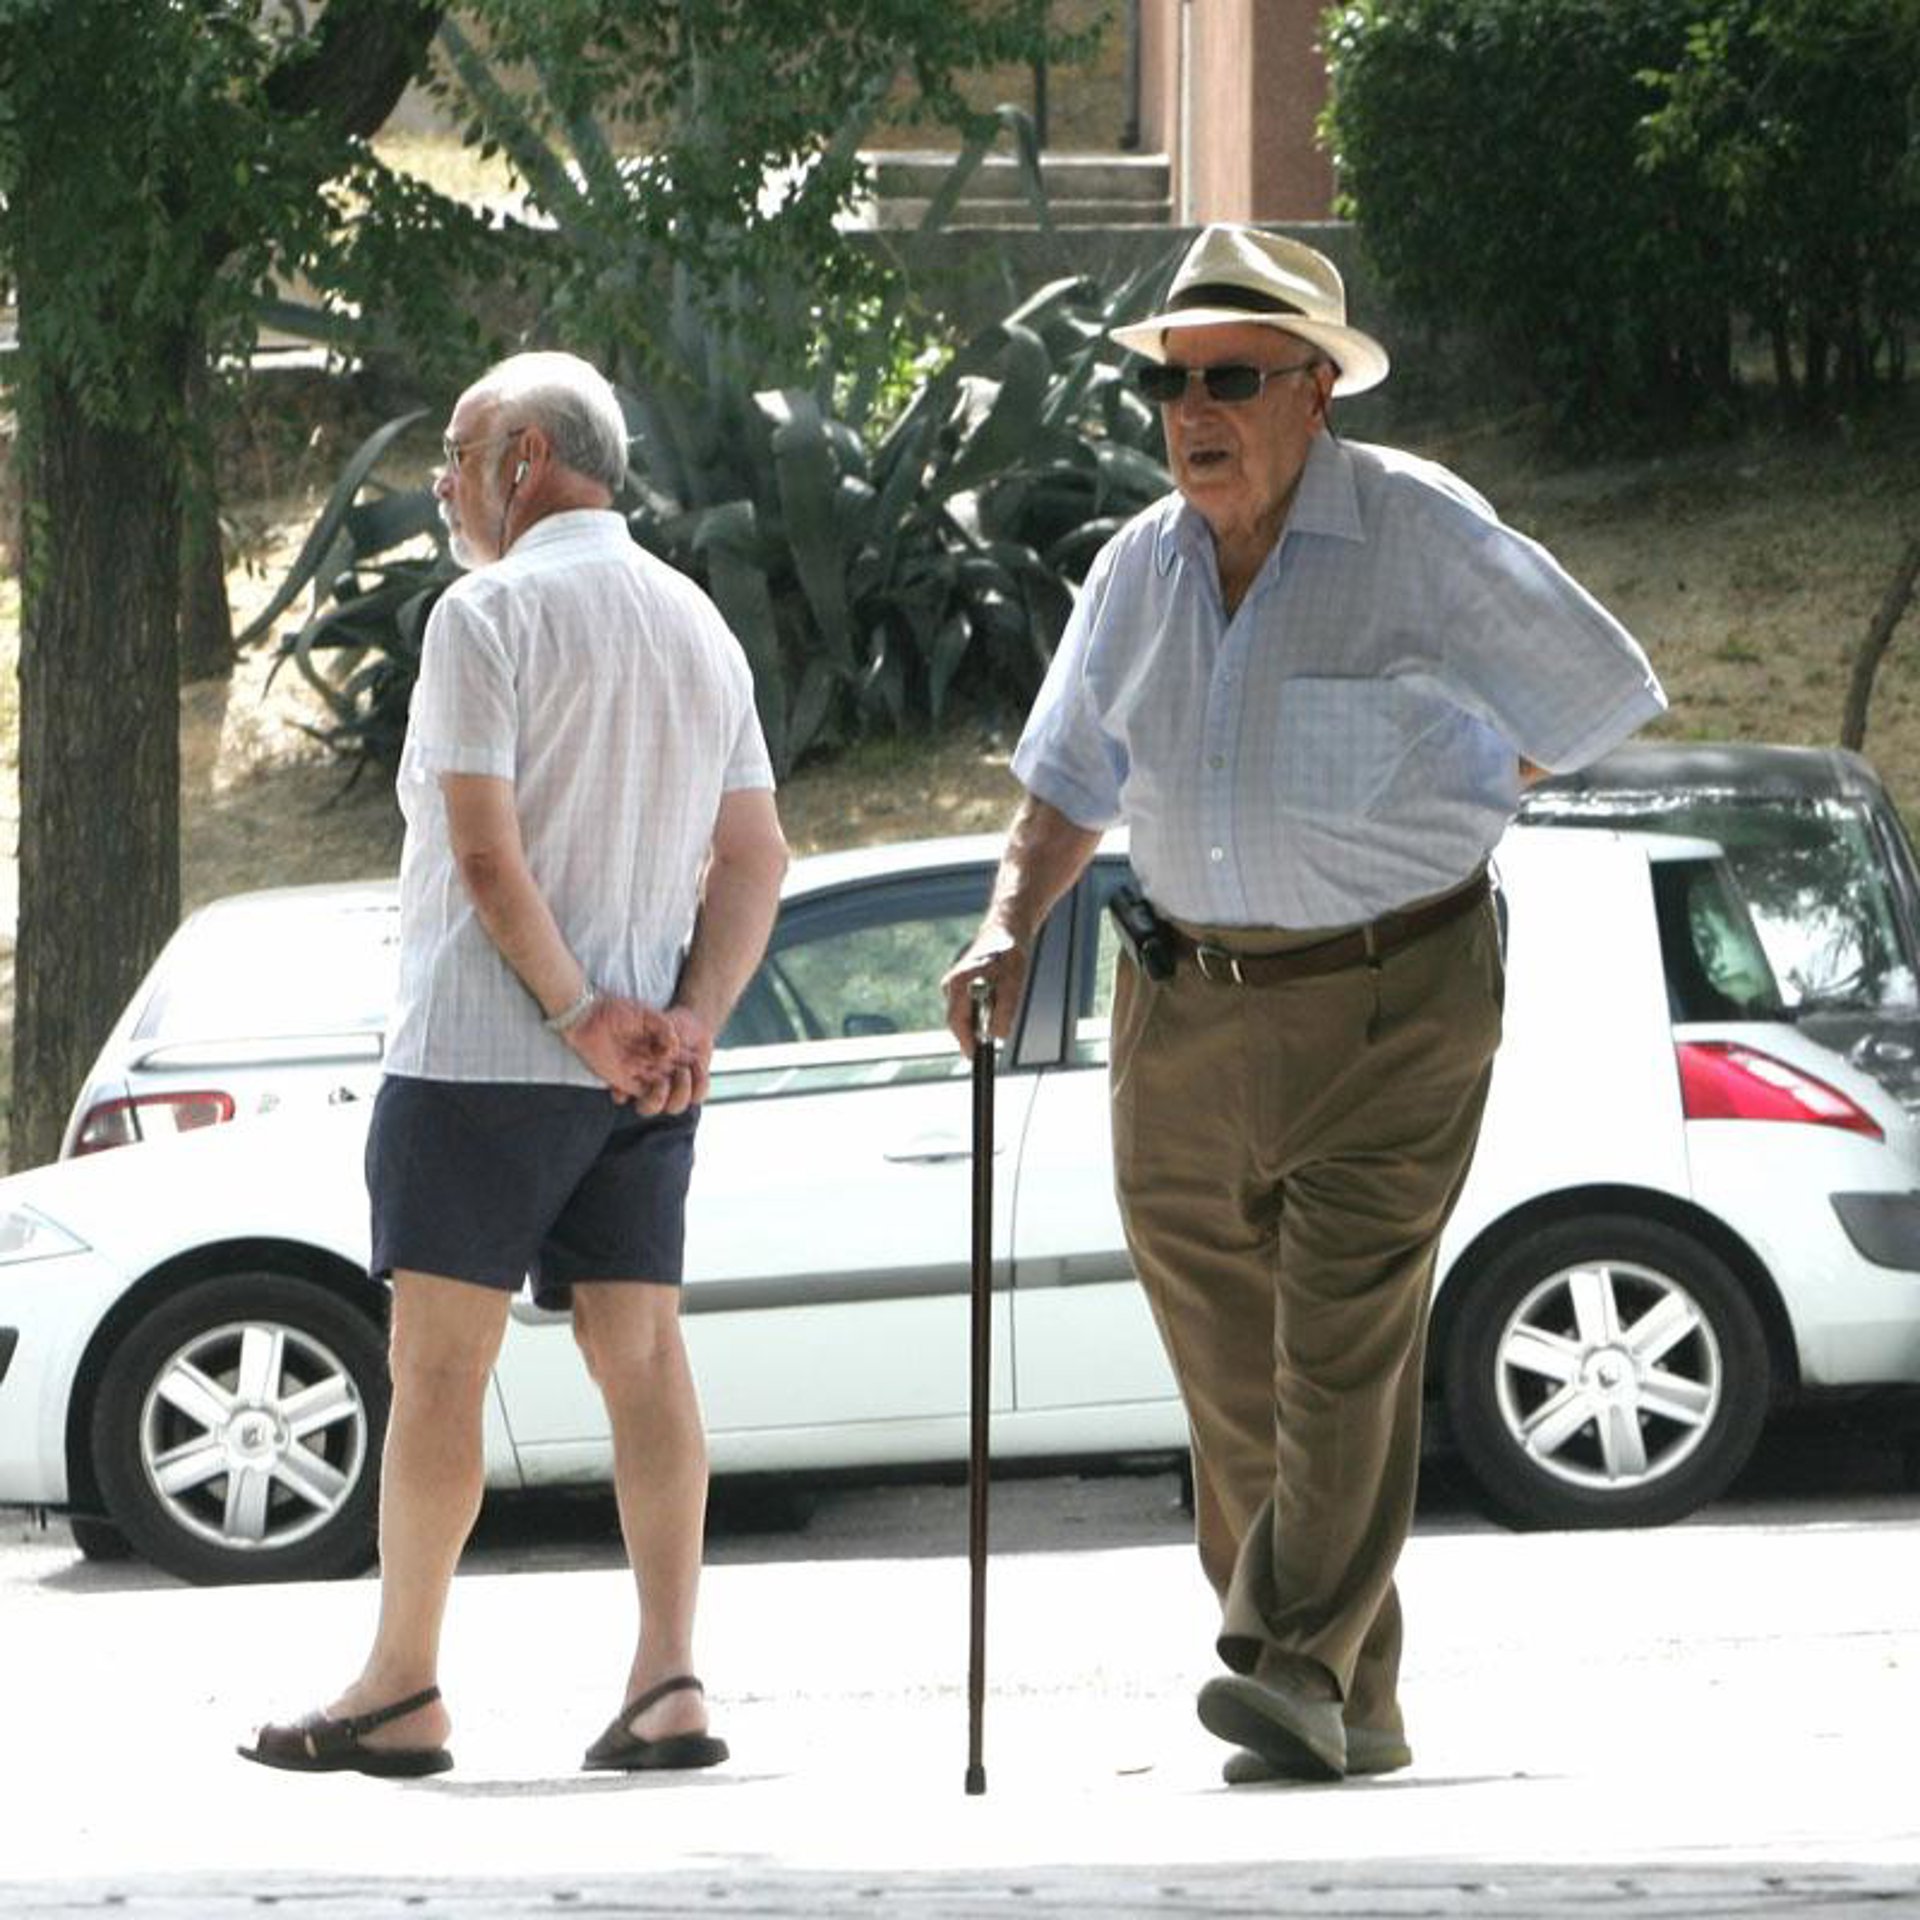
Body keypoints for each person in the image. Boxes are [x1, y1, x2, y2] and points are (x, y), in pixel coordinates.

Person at [942, 226, 1665, 1786]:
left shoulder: (1417, 528)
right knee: (1230, 1376)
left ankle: (1282, 1663)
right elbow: (1067, 782)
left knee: (1338, 1347)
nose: (1192, 410)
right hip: (1181, 1006)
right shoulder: (1138, 564)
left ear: (1316, 390)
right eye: (1173, 383)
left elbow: (1596, 692)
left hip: (1394, 996)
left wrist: (1465, 782)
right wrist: (1006, 930)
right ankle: (1353, 1697)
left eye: (1231, 378)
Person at [240, 350, 788, 1779]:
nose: (443, 485)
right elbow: (756, 856)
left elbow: (486, 857)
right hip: (642, 1076)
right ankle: (669, 1680)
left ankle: (401, 1686)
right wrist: (690, 1019)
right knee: (644, 1356)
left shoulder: (483, 615)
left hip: (483, 1056)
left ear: (525, 460)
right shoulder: (699, 623)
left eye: (458, 455)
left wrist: (578, 1011)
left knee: (438, 1368)